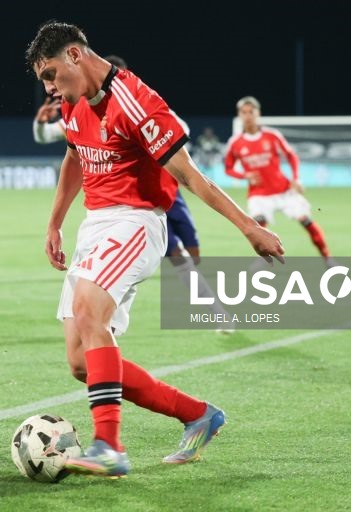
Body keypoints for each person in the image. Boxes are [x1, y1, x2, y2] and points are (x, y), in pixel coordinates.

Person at [25, 22, 284, 478]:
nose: (48, 87)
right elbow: (73, 155)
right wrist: (54, 222)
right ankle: (198, 414)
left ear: (74, 55)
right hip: (95, 224)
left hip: (136, 221)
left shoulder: (137, 102)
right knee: (82, 362)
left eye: (50, 74)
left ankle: (108, 445)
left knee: (90, 314)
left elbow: (189, 175)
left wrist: (249, 227)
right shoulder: (71, 102)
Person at [31, 55, 232, 333]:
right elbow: (50, 140)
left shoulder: (141, 105)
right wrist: (41, 125)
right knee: (178, 255)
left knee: (191, 252)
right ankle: (216, 311)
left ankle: (211, 303)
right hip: (135, 205)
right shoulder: (84, 107)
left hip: (171, 195)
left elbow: (179, 133)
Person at [225, 96, 334, 266]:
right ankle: (264, 260)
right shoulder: (235, 143)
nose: (247, 116)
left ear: (257, 113)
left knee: (307, 222)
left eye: (251, 112)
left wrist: (296, 178)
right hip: (259, 194)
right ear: (239, 115)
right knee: (259, 227)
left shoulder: (272, 136)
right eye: (244, 112)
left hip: (283, 190)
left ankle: (328, 259)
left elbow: (291, 156)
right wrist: (244, 176)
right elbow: (228, 168)